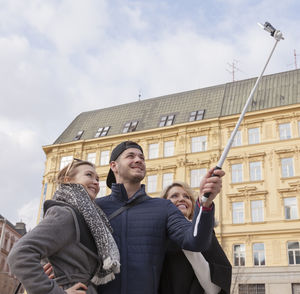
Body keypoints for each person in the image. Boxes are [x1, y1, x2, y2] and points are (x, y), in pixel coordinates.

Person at [95, 140, 225, 294]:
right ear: (114, 166)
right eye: (130, 156)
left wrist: (205, 202)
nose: (138, 160)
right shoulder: (96, 208)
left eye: (141, 158)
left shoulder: (164, 208)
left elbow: (195, 242)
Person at [8, 159, 120, 294]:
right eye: (89, 175)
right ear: (68, 180)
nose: (96, 182)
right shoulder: (65, 213)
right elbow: (20, 254)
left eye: (97, 178)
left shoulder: (89, 218)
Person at [159, 181, 232, 294]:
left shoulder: (207, 235)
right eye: (174, 196)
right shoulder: (156, 236)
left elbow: (214, 289)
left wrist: (188, 235)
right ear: (164, 205)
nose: (182, 199)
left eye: (187, 196)